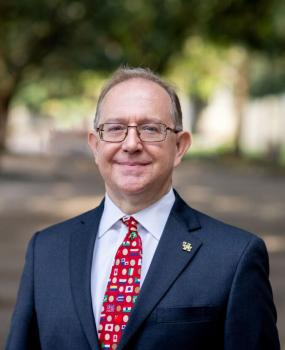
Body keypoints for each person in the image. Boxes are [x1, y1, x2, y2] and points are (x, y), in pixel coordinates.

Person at [6, 67, 279, 350]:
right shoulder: (46, 250)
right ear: (95, 146)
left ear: (180, 146)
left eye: (150, 129)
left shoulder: (234, 257)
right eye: (115, 128)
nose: (132, 144)